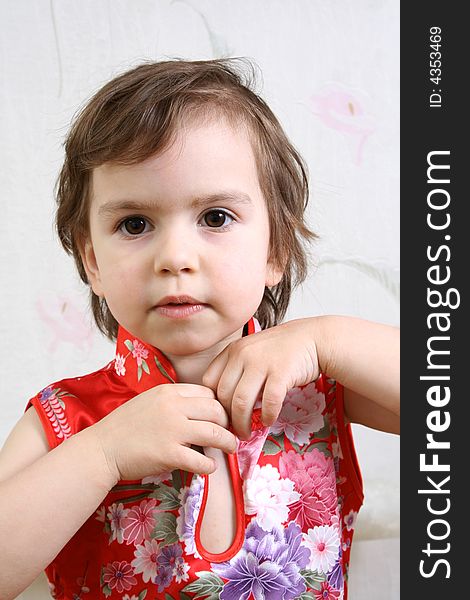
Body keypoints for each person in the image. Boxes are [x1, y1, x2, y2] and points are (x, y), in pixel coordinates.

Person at [0, 58, 399, 600]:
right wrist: (103, 455)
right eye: (134, 224)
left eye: (215, 217)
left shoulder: (315, 392)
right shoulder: (65, 420)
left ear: (275, 250)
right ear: (92, 261)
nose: (175, 257)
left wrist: (325, 339)